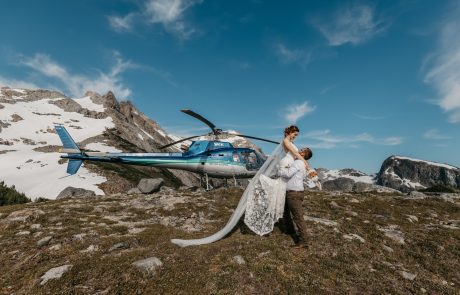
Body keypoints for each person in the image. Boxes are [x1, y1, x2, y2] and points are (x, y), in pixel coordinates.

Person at [170, 127, 319, 247]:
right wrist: (306, 165)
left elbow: (294, 159)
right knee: (287, 210)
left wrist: (304, 164)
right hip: (288, 183)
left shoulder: (295, 154)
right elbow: (293, 153)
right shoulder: (289, 146)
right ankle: (291, 231)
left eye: (303, 149)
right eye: (295, 134)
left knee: (289, 210)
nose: (297, 140)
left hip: (291, 187)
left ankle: (298, 236)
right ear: (290, 133)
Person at [278, 147, 313, 248]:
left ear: (303, 154)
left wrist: (280, 171)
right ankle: (290, 230)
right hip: (292, 192)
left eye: (302, 150)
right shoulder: (300, 163)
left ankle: (304, 241)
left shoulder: (298, 163)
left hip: (294, 193)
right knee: (286, 212)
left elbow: (288, 174)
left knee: (298, 217)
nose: (299, 150)